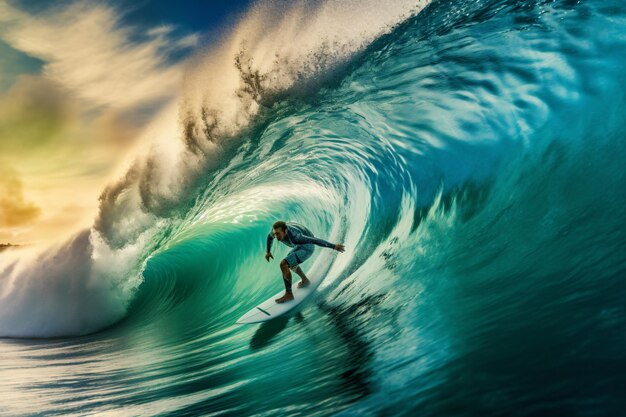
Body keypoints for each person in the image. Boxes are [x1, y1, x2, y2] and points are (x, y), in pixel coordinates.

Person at [265, 220, 345, 303]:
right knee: (290, 262)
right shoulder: (275, 232)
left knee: (284, 264)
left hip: (308, 246)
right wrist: (268, 252)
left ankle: (289, 294)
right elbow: (269, 237)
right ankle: (305, 280)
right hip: (300, 244)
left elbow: (315, 240)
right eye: (275, 233)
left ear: (285, 231)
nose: (276, 236)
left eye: (278, 234)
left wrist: (333, 246)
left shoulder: (296, 237)